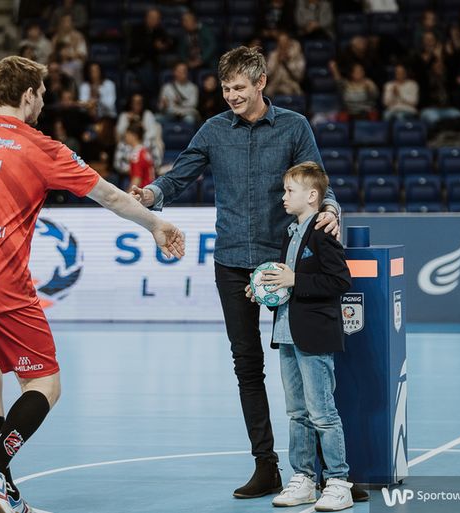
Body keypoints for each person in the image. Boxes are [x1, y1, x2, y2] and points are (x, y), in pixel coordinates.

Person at [0, 55, 185, 513]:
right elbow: (109, 195)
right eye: (43, 95)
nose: (44, 104)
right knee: (45, 383)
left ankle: (4, 496)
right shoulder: (41, 147)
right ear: (28, 95)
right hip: (2, 287)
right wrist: (155, 224)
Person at [130, 46, 342, 499]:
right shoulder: (213, 130)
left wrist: (331, 210)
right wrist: (150, 195)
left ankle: (322, 471)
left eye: (240, 87)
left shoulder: (294, 126)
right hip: (230, 263)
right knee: (247, 365)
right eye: (226, 88)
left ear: (261, 82)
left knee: (305, 361)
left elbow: (318, 182)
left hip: (284, 262)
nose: (231, 95)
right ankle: (266, 466)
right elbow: (179, 176)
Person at [245, 161, 354, 511]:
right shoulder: (290, 233)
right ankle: (304, 479)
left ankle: (338, 481)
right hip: (287, 334)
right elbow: (285, 283)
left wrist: (296, 280)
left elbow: (340, 281)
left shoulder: (323, 231)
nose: (283, 196)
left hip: (314, 336)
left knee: (322, 412)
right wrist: (264, 290)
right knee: (297, 413)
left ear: (312, 196)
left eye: (289, 190)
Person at [266, 32, 307, 97]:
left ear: (289, 43)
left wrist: (287, 62)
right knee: (267, 94)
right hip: (275, 84)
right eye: (281, 43)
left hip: (291, 85)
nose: (283, 45)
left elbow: (299, 76)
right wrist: (277, 61)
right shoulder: (273, 55)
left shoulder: (297, 56)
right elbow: (268, 74)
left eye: (285, 42)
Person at [124, 122, 155, 191]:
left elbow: (137, 180)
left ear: (134, 136)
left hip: (142, 191)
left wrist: (127, 195)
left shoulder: (136, 155)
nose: (125, 137)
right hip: (150, 189)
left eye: (127, 134)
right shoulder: (145, 151)